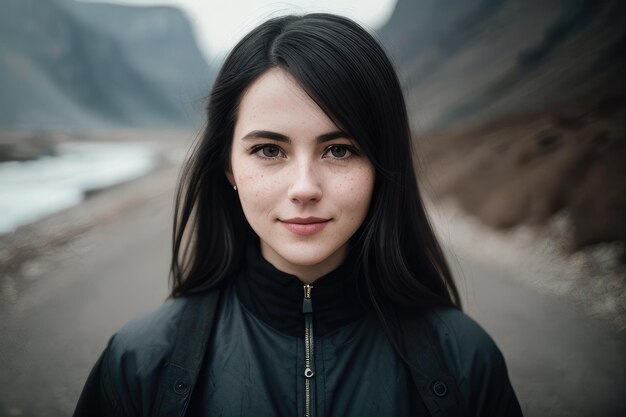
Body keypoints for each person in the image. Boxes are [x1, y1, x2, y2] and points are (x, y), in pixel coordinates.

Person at [74, 13, 523, 417]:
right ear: (229, 165)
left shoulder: (465, 361)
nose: (305, 187)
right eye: (269, 150)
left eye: (339, 150)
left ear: (382, 163)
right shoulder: (140, 362)